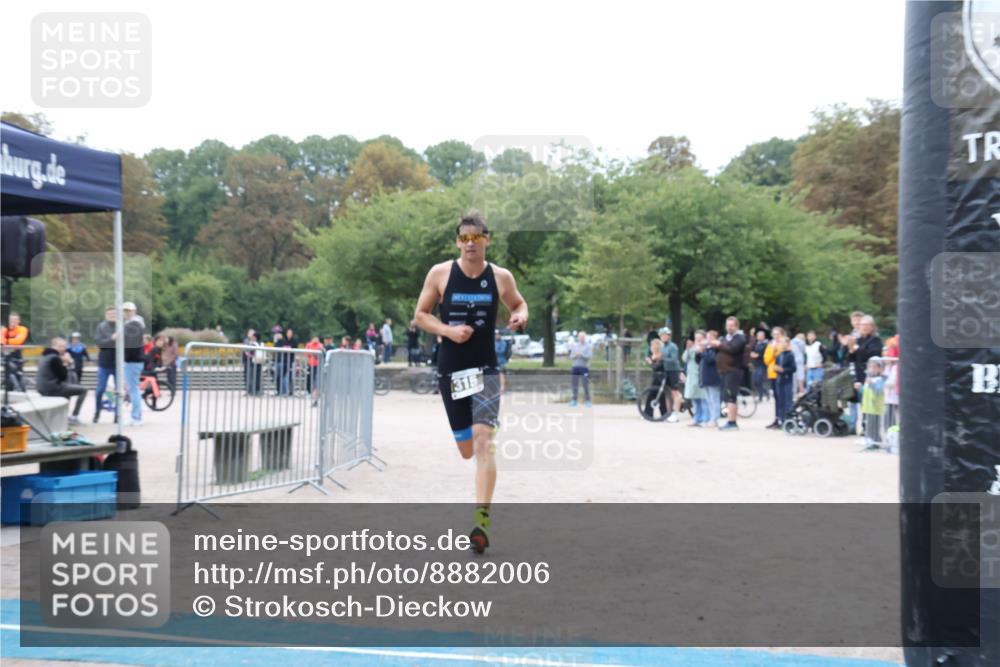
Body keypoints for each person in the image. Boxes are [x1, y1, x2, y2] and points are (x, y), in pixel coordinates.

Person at [413, 209, 528, 554]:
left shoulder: (501, 277)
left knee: (483, 441)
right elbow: (420, 316)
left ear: (486, 240)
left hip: (486, 370)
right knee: (466, 450)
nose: (469, 244)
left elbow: (518, 303)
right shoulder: (441, 273)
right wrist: (448, 331)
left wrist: (520, 314)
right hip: (451, 371)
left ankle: (482, 521)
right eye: (464, 239)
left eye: (476, 238)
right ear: (457, 242)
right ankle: (480, 509)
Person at [844, 315, 883, 434]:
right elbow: (851, 358)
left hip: (870, 376)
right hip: (858, 374)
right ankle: (854, 426)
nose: (864, 328)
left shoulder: (875, 340)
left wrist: (857, 349)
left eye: (867, 325)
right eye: (862, 325)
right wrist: (850, 350)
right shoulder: (858, 340)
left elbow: (873, 354)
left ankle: (868, 428)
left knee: (868, 403)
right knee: (856, 401)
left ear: (872, 327)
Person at [36, 337, 88, 425]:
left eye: (64, 346)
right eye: (60, 346)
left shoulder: (45, 356)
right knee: (83, 390)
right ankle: (74, 417)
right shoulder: (55, 358)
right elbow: (63, 376)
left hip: (42, 387)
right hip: (52, 388)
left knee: (68, 387)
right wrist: (66, 363)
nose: (63, 349)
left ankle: (64, 417)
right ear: (53, 346)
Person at [709, 316, 746, 431]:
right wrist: (716, 346)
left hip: (733, 370)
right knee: (726, 396)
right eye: (727, 325)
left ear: (736, 326)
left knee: (731, 396)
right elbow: (721, 350)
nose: (729, 328)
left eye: (731, 325)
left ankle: (732, 422)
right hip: (724, 371)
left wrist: (719, 345)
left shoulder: (740, 338)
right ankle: (729, 420)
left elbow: (732, 350)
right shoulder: (725, 338)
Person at [121, 302, 146, 426]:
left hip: (132, 360)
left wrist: (124, 358)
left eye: (129, 311)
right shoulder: (135, 324)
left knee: (134, 390)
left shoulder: (133, 324)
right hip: (134, 360)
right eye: (125, 311)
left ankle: (136, 417)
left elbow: (131, 346)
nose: (126, 313)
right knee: (133, 389)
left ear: (134, 312)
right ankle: (136, 416)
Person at [93, 306, 117, 423]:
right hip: (104, 363)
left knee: (119, 391)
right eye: (110, 314)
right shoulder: (101, 327)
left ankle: (118, 415)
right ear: (105, 315)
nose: (112, 315)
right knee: (100, 389)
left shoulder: (122, 327)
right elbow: (99, 343)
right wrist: (111, 339)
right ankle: (97, 412)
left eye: (114, 313)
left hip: (117, 364)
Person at [655, 327, 683, 422]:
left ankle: (676, 414)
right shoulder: (663, 347)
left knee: (675, 393)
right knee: (668, 393)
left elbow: (674, 359)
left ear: (668, 336)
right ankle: (669, 413)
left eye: (664, 335)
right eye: (661, 335)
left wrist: (663, 358)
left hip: (674, 371)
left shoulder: (673, 346)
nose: (662, 337)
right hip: (667, 371)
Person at [861, 358, 886, 449]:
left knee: (875, 426)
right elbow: (864, 391)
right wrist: (859, 388)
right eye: (870, 367)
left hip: (875, 407)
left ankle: (876, 442)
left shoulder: (880, 379)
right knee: (868, 425)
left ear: (880, 369)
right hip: (867, 406)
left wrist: (871, 384)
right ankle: (870, 440)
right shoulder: (868, 378)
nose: (872, 369)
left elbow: (878, 390)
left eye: (875, 367)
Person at [763, 326, 785, 428]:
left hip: (780, 373)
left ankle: (783, 418)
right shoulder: (770, 345)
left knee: (782, 397)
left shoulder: (784, 344)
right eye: (774, 334)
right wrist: (773, 351)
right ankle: (777, 418)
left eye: (778, 334)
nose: (776, 336)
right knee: (776, 397)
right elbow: (766, 360)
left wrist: (777, 350)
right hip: (772, 372)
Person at [773, 333, 797, 426]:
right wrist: (777, 369)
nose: (781, 344)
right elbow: (776, 365)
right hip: (780, 380)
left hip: (787, 380)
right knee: (781, 400)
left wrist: (784, 370)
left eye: (783, 342)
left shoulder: (790, 355)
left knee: (788, 400)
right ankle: (781, 418)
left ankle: (788, 419)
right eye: (780, 342)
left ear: (787, 343)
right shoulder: (779, 355)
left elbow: (793, 368)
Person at [682, 331, 706, 426]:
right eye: (696, 338)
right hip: (691, 377)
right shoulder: (691, 348)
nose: (698, 340)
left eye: (700, 338)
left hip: (699, 376)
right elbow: (684, 359)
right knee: (695, 399)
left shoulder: (703, 348)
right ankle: (697, 418)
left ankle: (704, 418)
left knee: (702, 399)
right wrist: (687, 349)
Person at [698, 331, 721, 427]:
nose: (707, 339)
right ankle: (711, 418)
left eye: (709, 337)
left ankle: (715, 419)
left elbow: (711, 360)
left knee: (714, 399)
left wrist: (703, 352)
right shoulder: (707, 349)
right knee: (709, 400)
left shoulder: (715, 349)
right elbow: (698, 360)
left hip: (713, 376)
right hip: (706, 376)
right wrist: (699, 352)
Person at [2, 312, 29, 390]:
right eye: (11, 320)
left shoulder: (23, 329)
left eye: (15, 320)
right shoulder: (4, 329)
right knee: (8, 376)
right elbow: (1, 341)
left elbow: (19, 341)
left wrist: (6, 341)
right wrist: (11, 340)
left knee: (18, 375)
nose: (12, 322)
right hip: (6, 355)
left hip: (17, 355)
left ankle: (21, 391)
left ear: (18, 321)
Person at [569, 331, 593, 407]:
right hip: (575, 367)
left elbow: (589, 356)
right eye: (580, 337)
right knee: (574, 384)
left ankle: (588, 400)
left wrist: (581, 355)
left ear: (584, 338)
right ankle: (574, 400)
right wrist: (575, 355)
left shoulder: (588, 346)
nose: (581, 338)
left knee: (585, 384)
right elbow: (571, 356)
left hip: (584, 367)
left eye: (582, 337)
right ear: (578, 338)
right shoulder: (575, 346)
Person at [750, 330, 768, 402]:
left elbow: (766, 354)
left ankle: (760, 396)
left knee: (759, 380)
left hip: (762, 364)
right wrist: (752, 354)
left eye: (760, 336)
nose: (758, 337)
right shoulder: (756, 344)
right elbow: (752, 350)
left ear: (763, 337)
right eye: (758, 336)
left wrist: (758, 355)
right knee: (754, 381)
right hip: (755, 364)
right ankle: (765, 392)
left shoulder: (766, 344)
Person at [305, 335, 324, 399]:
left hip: (317, 364)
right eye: (314, 338)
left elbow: (321, 352)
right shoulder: (309, 344)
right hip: (310, 364)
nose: (316, 340)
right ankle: (309, 392)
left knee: (316, 379)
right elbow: (307, 353)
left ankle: (316, 393)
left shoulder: (320, 345)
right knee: (309, 378)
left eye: (317, 338)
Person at [791, 332, 807, 398]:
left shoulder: (791, 341)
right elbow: (805, 352)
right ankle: (802, 392)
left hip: (792, 361)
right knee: (801, 378)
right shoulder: (802, 343)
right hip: (800, 361)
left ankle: (793, 393)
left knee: (793, 378)